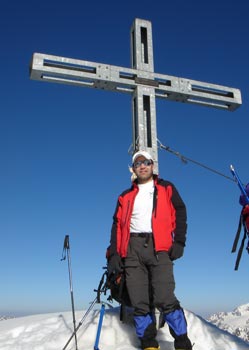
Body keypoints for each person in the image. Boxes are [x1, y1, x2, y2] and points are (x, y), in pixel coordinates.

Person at [108, 150, 192, 350]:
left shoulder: (166, 188)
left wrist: (179, 242)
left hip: (159, 247)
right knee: (139, 301)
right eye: (138, 164)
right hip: (132, 250)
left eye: (146, 162)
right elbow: (117, 225)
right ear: (134, 169)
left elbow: (180, 212)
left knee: (164, 297)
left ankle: (182, 342)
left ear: (152, 165)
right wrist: (114, 253)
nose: (142, 166)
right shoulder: (125, 196)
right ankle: (149, 344)